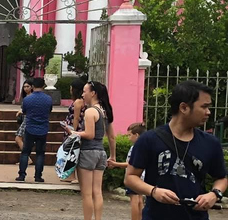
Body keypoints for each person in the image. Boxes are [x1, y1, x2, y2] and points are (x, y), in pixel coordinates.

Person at [125, 80, 227, 219]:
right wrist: (154, 191)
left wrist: (214, 194)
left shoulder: (210, 143)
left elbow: (221, 178)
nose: (208, 112)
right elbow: (130, 177)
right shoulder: (149, 139)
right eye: (204, 107)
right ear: (184, 108)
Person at [63, 80, 117, 220]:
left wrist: (72, 132)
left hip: (87, 152)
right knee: (97, 192)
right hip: (101, 153)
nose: (83, 94)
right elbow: (111, 136)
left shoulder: (90, 111)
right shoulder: (105, 111)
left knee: (86, 194)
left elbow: (89, 134)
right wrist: (113, 155)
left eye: (85, 91)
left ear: (93, 93)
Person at [16, 77, 52, 183]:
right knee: (40, 153)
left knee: (25, 152)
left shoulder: (27, 99)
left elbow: (24, 111)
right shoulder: (48, 99)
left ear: (32, 87)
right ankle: (38, 176)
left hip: (30, 128)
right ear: (43, 86)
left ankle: (22, 175)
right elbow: (49, 111)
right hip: (43, 128)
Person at [107, 123, 146, 220]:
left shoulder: (136, 148)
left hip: (134, 177)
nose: (128, 138)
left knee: (134, 200)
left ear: (136, 135)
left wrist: (116, 164)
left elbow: (130, 164)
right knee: (140, 200)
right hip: (142, 176)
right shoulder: (144, 146)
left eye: (129, 135)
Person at [15, 78, 34, 153]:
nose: (26, 88)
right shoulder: (26, 97)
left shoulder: (31, 97)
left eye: (27, 86)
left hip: (28, 119)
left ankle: (26, 157)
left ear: (32, 87)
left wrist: (21, 111)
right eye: (24, 87)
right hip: (25, 119)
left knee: (18, 138)